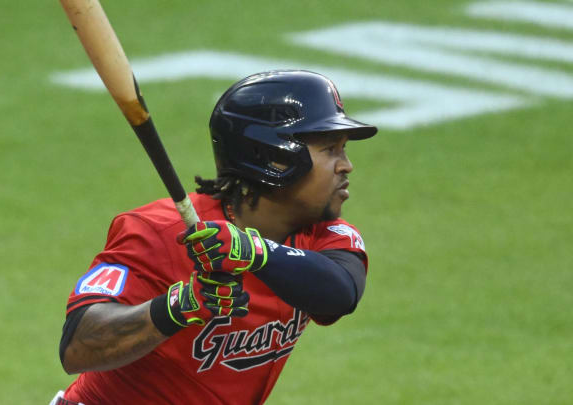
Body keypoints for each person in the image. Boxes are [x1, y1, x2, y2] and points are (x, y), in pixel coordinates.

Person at [52, 70, 378, 405]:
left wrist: (251, 251)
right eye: (330, 150)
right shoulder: (160, 231)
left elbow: (340, 293)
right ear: (276, 158)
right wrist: (180, 306)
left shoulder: (325, 238)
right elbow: (78, 347)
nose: (346, 165)